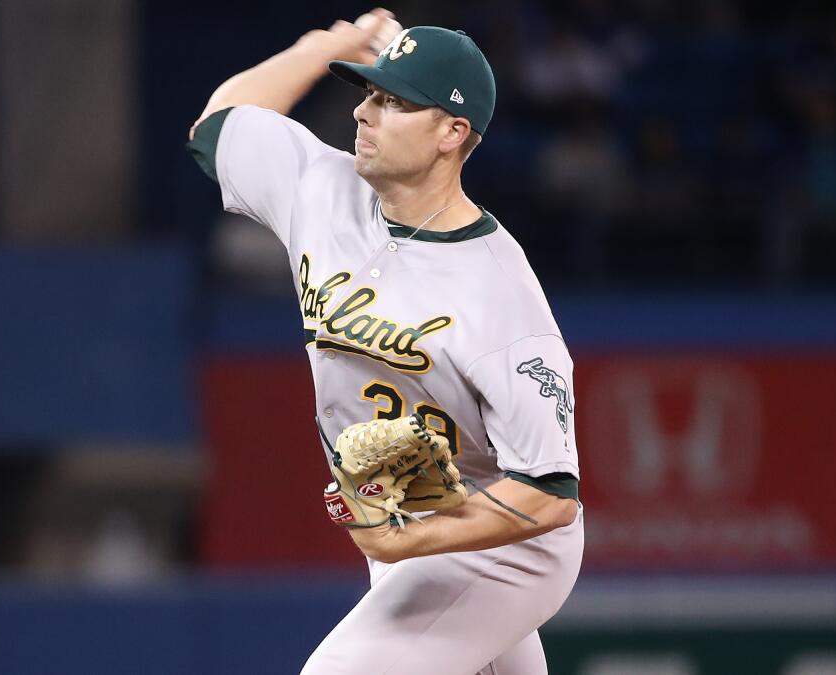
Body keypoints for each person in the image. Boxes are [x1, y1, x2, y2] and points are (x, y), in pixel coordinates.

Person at [187, 9, 583, 674]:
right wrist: (328, 45)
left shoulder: (500, 294)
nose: (365, 114)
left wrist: (416, 533)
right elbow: (220, 123)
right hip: (409, 519)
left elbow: (549, 492)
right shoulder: (320, 188)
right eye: (368, 93)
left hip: (506, 545)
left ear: (452, 133)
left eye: (395, 102)